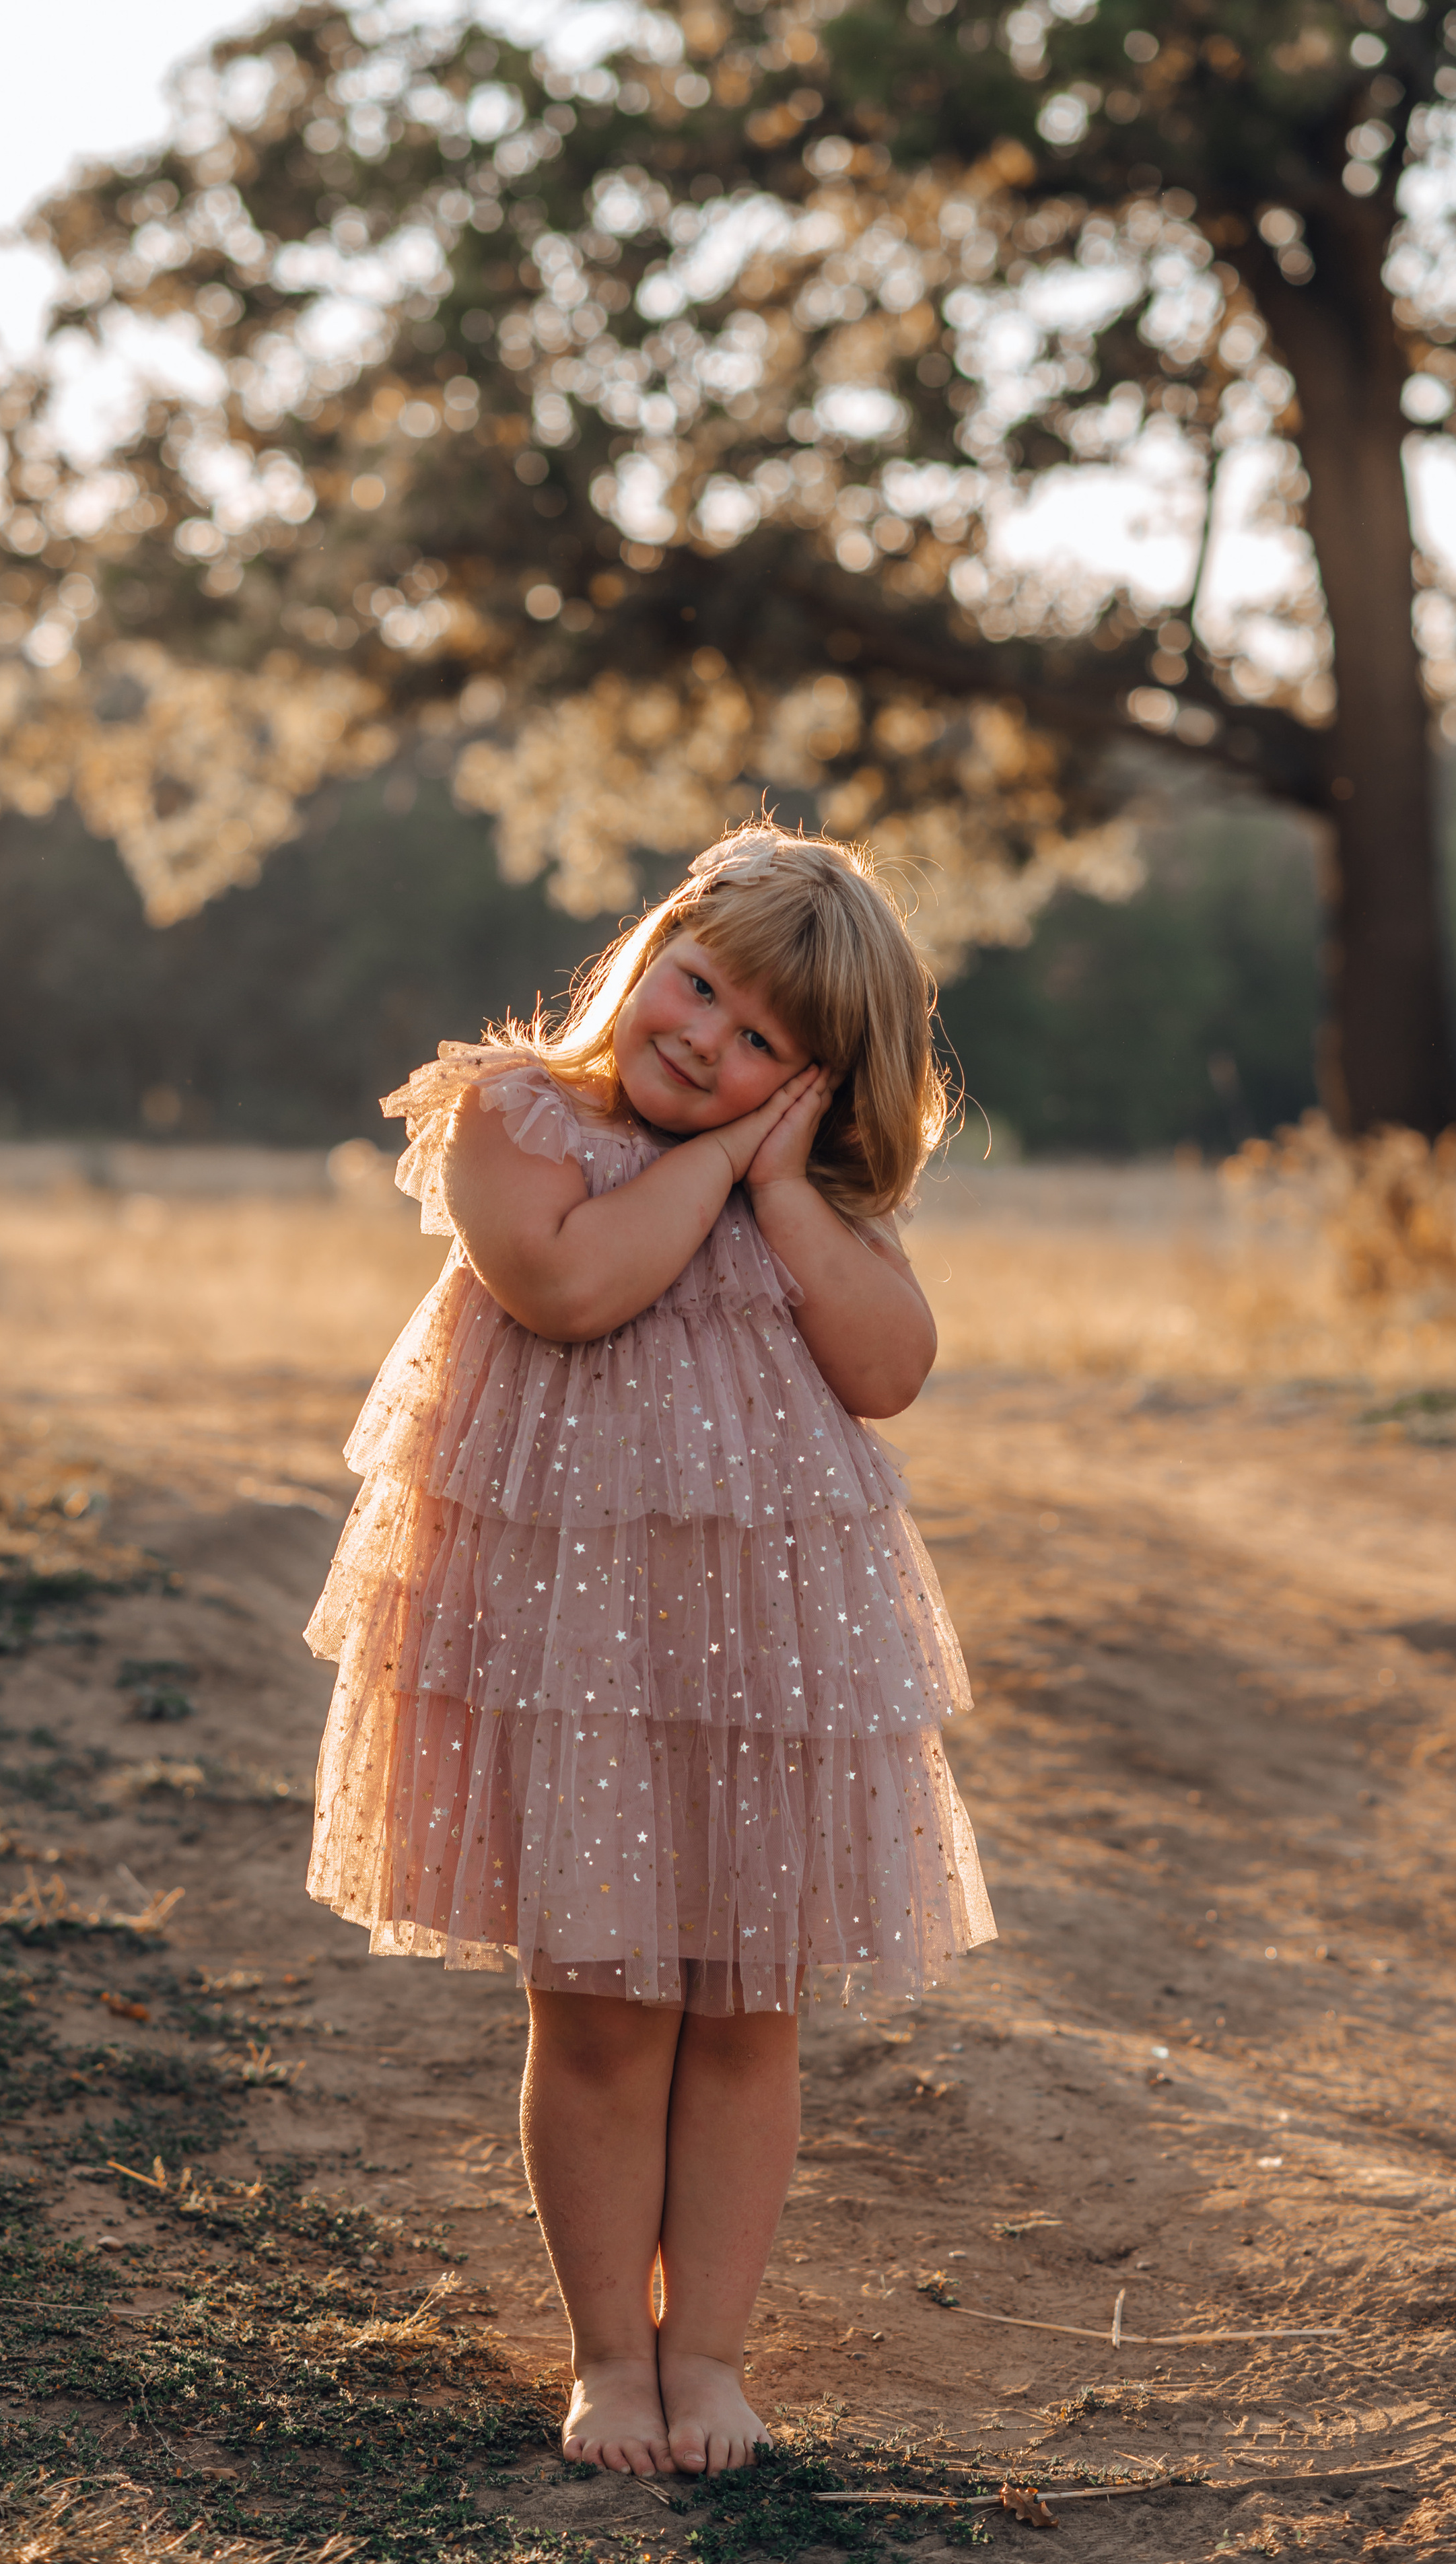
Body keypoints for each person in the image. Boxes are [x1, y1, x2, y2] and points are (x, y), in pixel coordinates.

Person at [304, 823, 995, 2479]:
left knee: (748, 2011)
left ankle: (711, 2359)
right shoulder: (515, 1115)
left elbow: (889, 1370)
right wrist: (722, 1158)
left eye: (760, 1042)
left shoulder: (803, 1195)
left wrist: (783, 1185)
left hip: (762, 1666)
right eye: (695, 987)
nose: (701, 1041)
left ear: (817, 1084)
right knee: (606, 2014)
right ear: (647, 947)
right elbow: (567, 1288)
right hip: (575, 1661)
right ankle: (611, 2358)